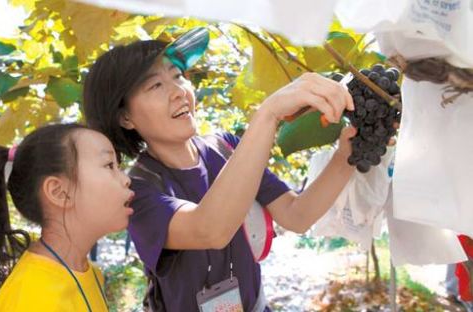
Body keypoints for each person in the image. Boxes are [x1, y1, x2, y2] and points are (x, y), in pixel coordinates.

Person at [82, 38, 356, 311]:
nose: (179, 90)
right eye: (155, 85)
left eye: (178, 75)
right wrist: (268, 115)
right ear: (125, 117)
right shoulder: (136, 192)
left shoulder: (226, 148)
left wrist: (347, 155)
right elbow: (209, 229)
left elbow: (296, 215)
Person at [0, 123, 134, 311]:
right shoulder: (35, 299)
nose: (126, 179)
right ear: (59, 192)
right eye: (110, 165)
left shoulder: (88, 272)